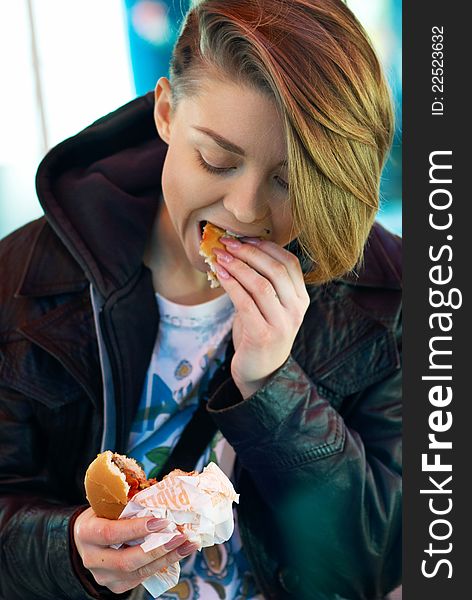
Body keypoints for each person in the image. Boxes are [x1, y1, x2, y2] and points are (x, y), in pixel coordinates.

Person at [0, 0, 402, 598]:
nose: (245, 210)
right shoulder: (26, 277)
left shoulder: (387, 295)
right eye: (216, 160)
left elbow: (378, 562)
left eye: (289, 180)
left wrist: (272, 384)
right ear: (165, 111)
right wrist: (66, 550)